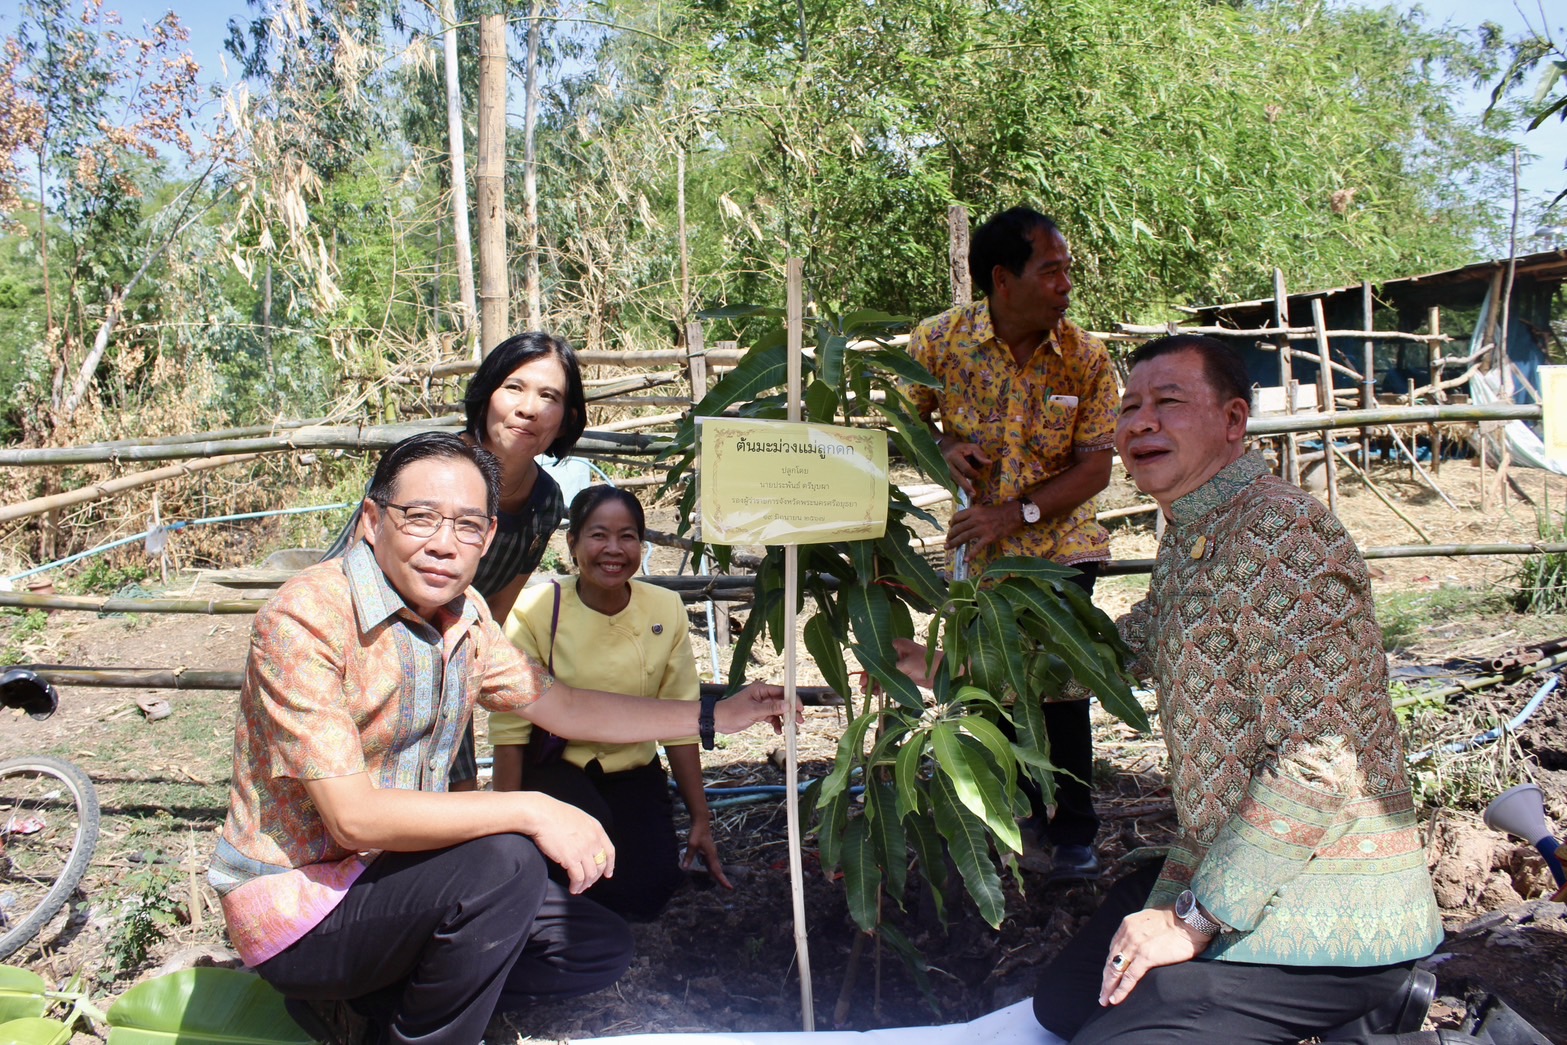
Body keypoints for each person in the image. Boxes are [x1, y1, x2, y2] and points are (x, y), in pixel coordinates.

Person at [210, 432, 788, 1045]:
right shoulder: (307, 617)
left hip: (392, 881)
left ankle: (373, 1006)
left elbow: (563, 706)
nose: (442, 543)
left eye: (465, 525)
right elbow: (352, 820)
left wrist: (715, 718)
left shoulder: (467, 616)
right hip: (301, 909)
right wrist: (529, 807)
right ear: (374, 520)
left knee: (593, 946)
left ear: (487, 538)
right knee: (506, 860)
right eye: (420, 517)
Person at [1028, 334, 1442, 1044]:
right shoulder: (1198, 527)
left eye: (1167, 402)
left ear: (1232, 420)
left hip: (1324, 892)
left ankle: (1376, 995)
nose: (1139, 423)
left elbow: (1321, 759)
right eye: (1128, 407)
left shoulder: (1279, 533)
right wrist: (960, 671)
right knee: (1063, 1005)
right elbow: (1126, 648)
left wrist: (1189, 920)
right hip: (1230, 859)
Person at [906, 206, 1119, 880]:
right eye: (1050, 270)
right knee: (990, 682)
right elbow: (899, 426)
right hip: (980, 553)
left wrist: (1015, 513)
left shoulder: (1084, 357)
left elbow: (1094, 466)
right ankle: (1017, 814)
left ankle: (1074, 827)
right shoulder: (938, 343)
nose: (1065, 285)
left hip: (1061, 543)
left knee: (1060, 681)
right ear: (1002, 278)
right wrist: (942, 444)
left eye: (1066, 270)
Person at [321, 331, 587, 790]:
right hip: (367, 657)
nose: (529, 408)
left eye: (549, 396)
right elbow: (343, 578)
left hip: (449, 665)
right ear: (485, 396)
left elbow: (493, 616)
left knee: (454, 801)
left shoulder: (546, 501)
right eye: (514, 388)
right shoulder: (426, 470)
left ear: (565, 420)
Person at [490, 486, 729, 919]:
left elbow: (680, 719)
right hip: (557, 774)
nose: (613, 550)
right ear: (573, 543)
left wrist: (700, 817)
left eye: (628, 536)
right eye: (599, 535)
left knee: (648, 895)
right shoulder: (537, 608)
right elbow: (510, 729)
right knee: (577, 888)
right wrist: (503, 833)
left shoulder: (665, 608)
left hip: (633, 772)